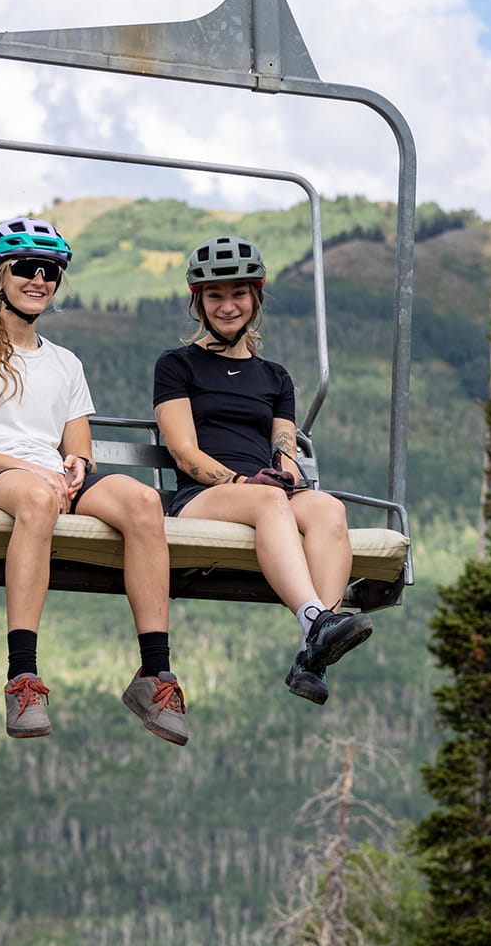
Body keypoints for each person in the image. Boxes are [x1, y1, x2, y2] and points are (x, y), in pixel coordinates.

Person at [0, 217, 188, 745]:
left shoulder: (66, 362)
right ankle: (22, 676)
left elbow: (78, 444)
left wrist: (76, 466)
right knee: (38, 495)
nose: (38, 279)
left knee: (141, 502)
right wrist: (32, 471)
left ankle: (154, 674)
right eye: (25, 267)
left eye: (50, 271)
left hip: (49, 477)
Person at [152, 235, 372, 705]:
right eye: (215, 296)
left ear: (255, 297)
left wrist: (286, 472)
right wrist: (241, 482)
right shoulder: (177, 365)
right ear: (199, 302)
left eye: (238, 294)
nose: (227, 306)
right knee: (269, 499)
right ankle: (315, 620)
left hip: (263, 493)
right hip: (203, 497)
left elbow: (284, 444)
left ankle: (311, 655)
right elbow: (184, 452)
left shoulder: (275, 377)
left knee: (328, 508)